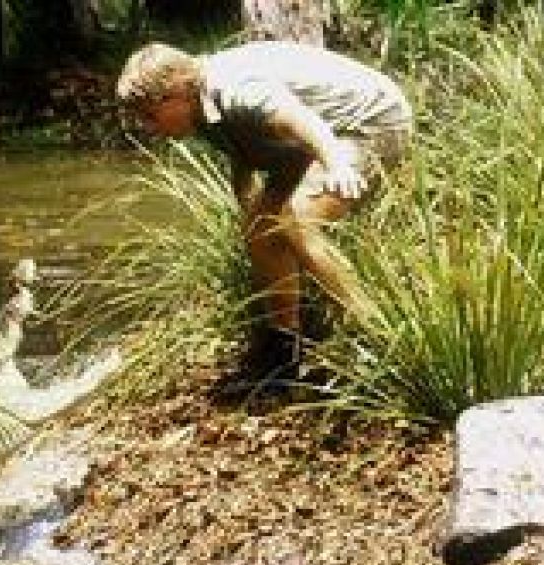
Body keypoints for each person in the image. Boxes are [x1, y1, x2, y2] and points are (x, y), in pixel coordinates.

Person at [116, 41, 412, 374]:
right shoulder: (199, 105)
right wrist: (250, 209)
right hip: (306, 141)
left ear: (175, 93)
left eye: (151, 116)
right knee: (261, 229)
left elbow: (300, 120)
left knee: (300, 220)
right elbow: (242, 152)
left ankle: (375, 338)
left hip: (365, 121)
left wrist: (337, 165)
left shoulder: (236, 89)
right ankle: (285, 346)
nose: (149, 128)